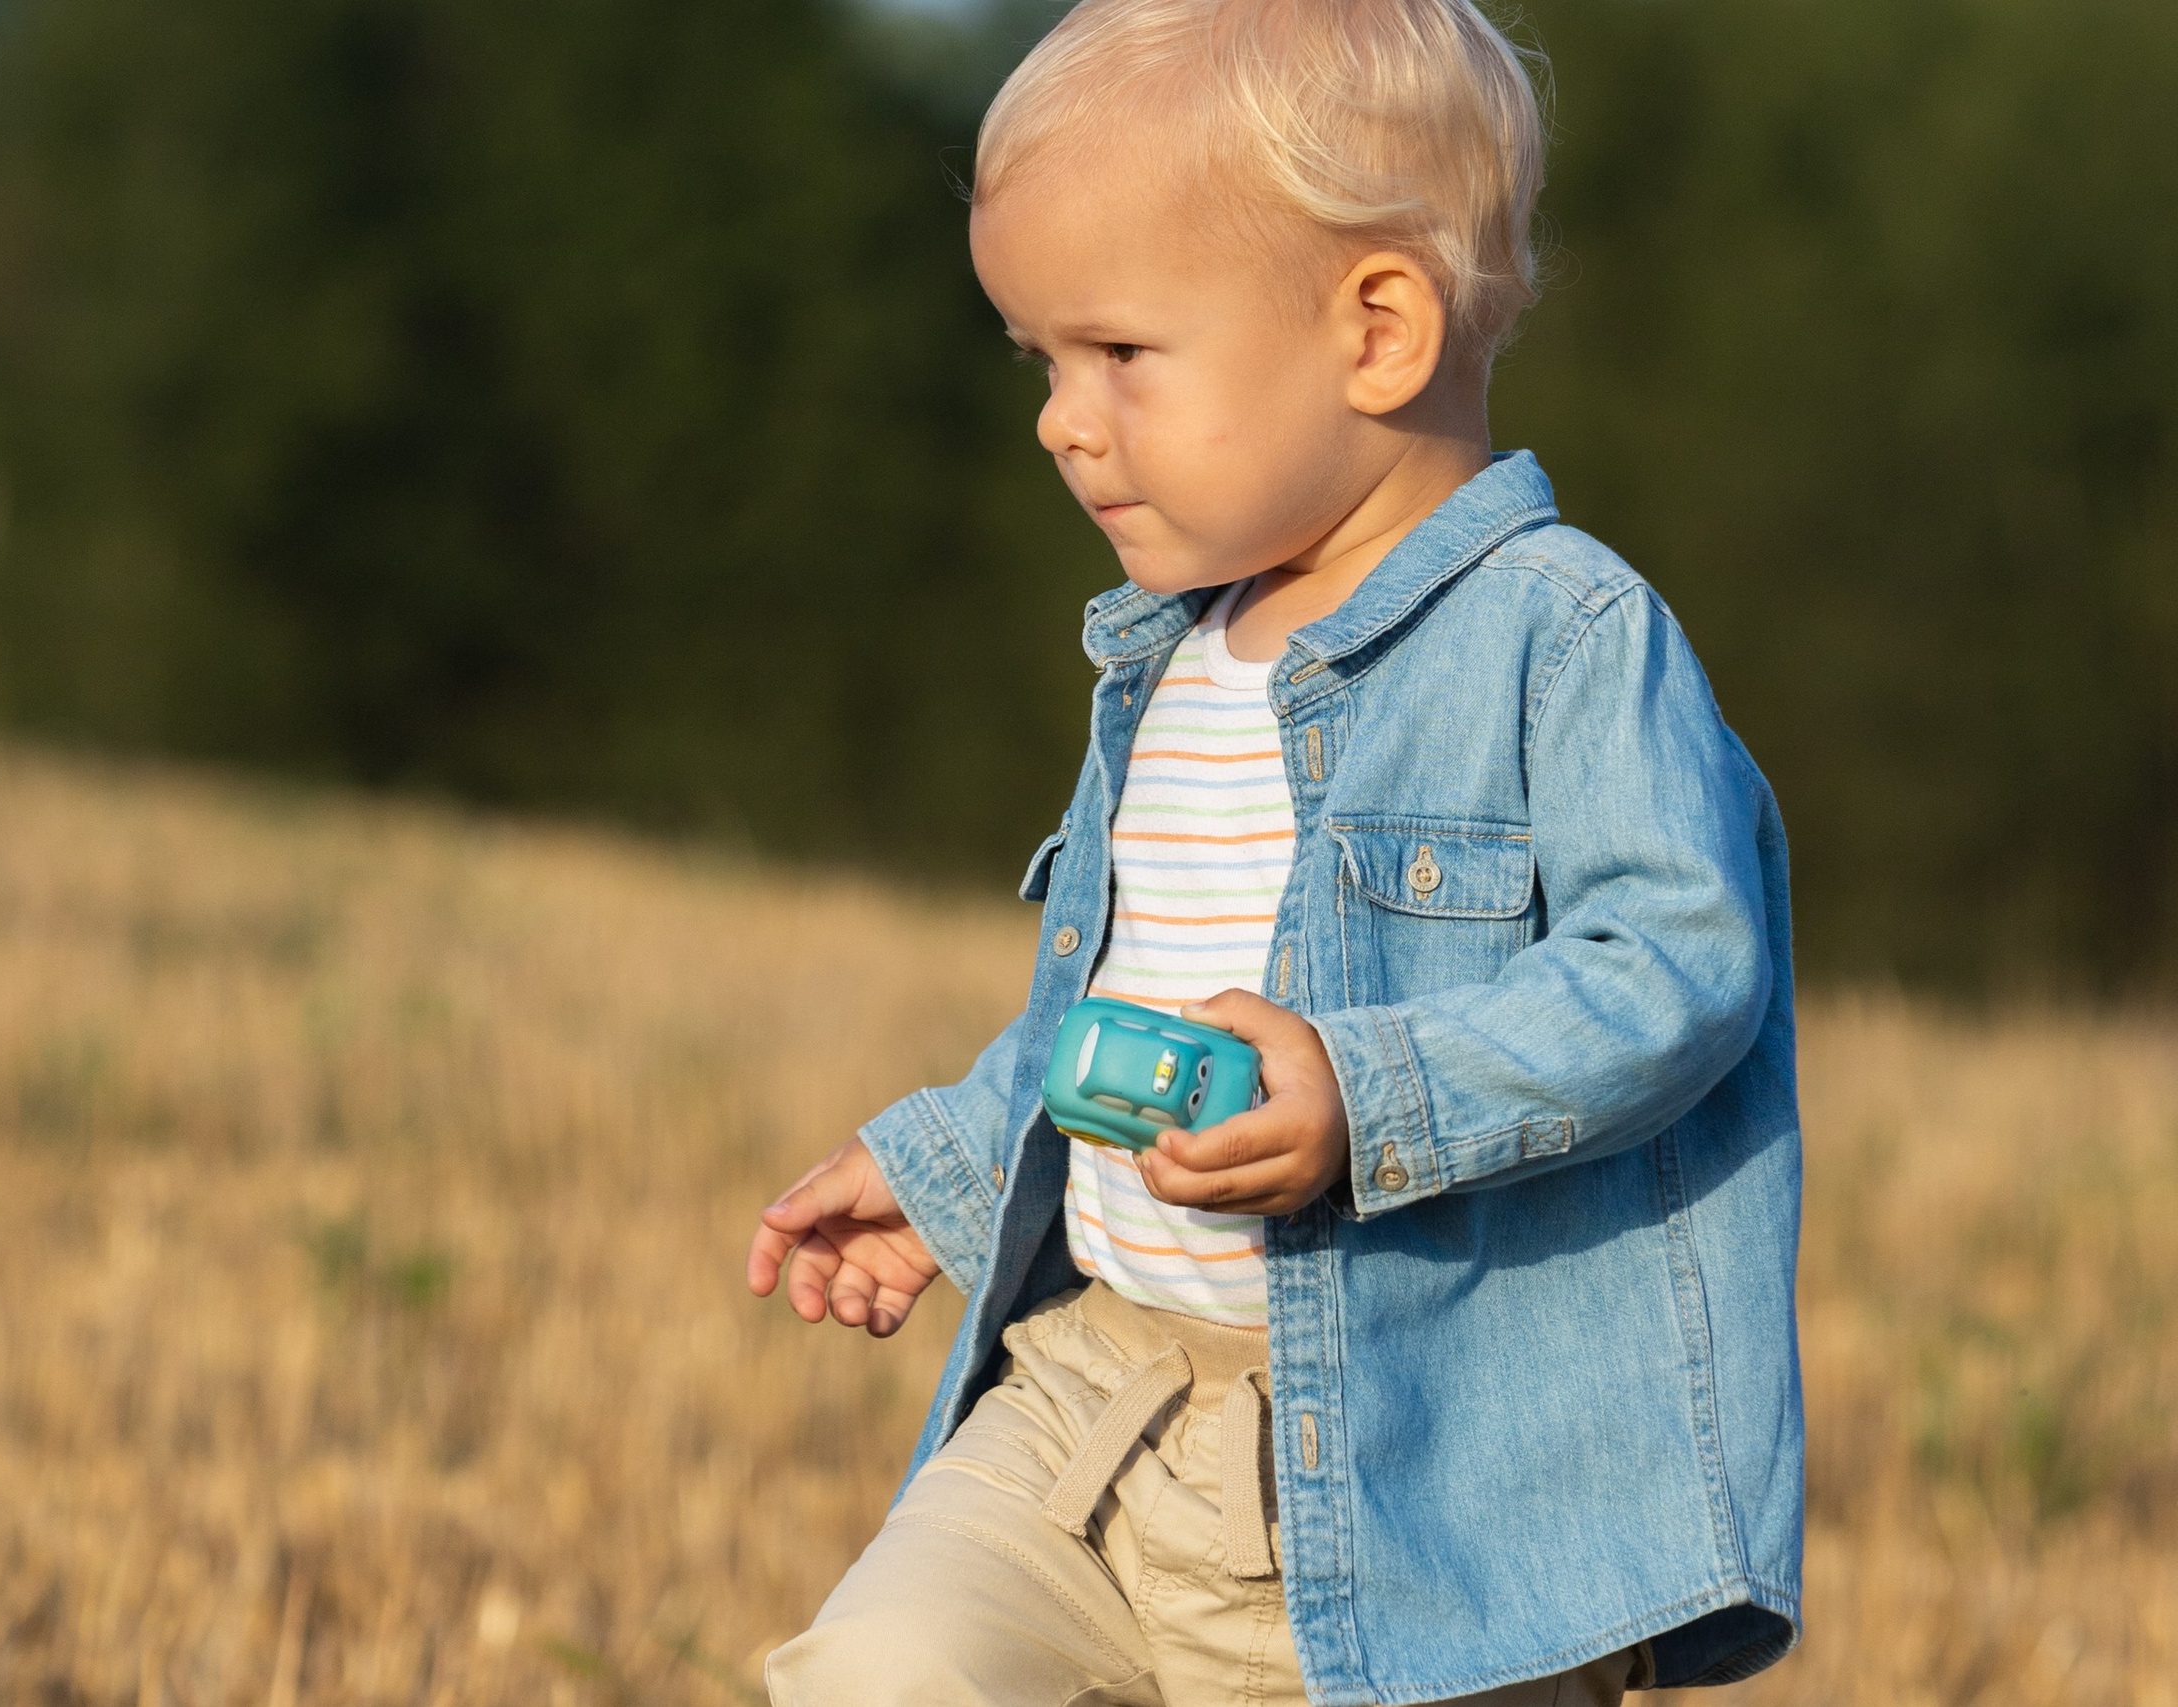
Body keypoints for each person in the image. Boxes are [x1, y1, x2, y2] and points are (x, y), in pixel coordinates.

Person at [746, 1, 1802, 1701]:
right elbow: (1123, 1011)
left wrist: (1364, 1092)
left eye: (1118, 357)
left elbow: (1680, 970)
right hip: (1094, 1405)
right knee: (887, 1671)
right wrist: (948, 1168)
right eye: (1040, 365)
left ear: (1376, 328)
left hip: (1426, 1486)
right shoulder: (1165, 660)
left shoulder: (1568, 639)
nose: (1059, 421)